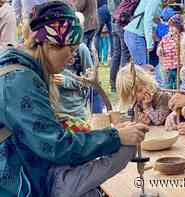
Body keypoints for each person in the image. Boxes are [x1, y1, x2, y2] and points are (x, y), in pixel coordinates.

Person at [0, 2, 148, 197]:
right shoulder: (19, 81)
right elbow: (55, 146)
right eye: (70, 50)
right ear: (50, 45)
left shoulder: (25, 72)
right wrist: (115, 137)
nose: (72, 58)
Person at [123, 0, 175, 67]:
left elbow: (154, 19)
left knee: (143, 68)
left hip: (135, 35)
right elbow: (147, 20)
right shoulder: (155, 1)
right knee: (143, 69)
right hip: (136, 35)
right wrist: (149, 44)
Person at [108, 0, 130, 92]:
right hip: (122, 22)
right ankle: (122, 83)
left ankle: (113, 84)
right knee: (124, 54)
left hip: (114, 21)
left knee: (117, 54)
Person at [157, 14, 184, 89]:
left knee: (177, 84)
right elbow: (160, 47)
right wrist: (159, 50)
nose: (171, 29)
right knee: (167, 85)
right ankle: (168, 97)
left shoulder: (182, 37)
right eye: (170, 27)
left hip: (178, 66)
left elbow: (183, 50)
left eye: (174, 27)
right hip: (167, 66)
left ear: (179, 27)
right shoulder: (165, 38)